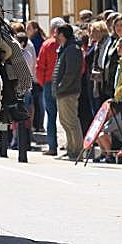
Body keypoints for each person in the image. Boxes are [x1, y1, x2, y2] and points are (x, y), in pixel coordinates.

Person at [94, 36, 122, 163]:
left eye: (121, 47)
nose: (118, 49)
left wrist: (120, 91)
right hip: (119, 97)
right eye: (117, 46)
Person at [51, 24, 84, 159]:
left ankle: (77, 151)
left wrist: (60, 87)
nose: (55, 36)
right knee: (65, 121)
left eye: (57, 33)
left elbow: (70, 73)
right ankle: (71, 149)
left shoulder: (72, 49)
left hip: (68, 91)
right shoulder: (65, 48)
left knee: (71, 121)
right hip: (63, 91)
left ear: (62, 34)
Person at [36, 17, 66, 155]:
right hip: (65, 83)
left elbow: (40, 66)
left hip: (49, 83)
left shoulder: (47, 44)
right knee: (67, 116)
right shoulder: (68, 44)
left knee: (52, 116)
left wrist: (43, 82)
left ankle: (53, 147)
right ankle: (68, 144)